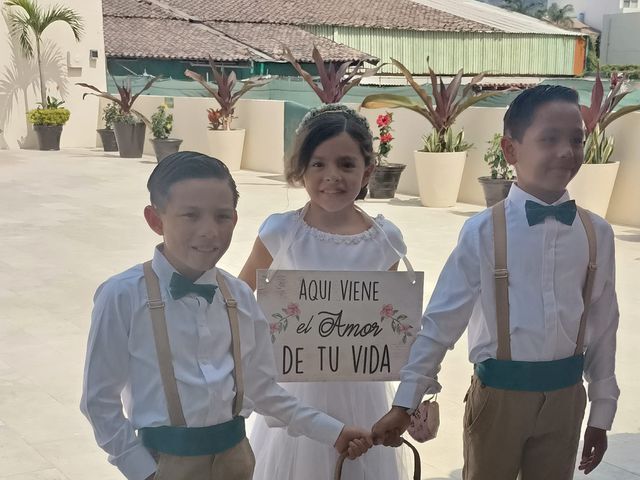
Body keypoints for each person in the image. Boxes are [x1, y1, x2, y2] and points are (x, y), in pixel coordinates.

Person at [372, 85, 620, 480]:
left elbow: (604, 324)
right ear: (510, 150)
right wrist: (406, 402)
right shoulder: (483, 232)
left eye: (576, 139)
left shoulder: (597, 233)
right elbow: (441, 322)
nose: (566, 151)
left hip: (567, 398)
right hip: (498, 400)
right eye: (549, 139)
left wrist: (602, 410)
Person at [80, 151, 372, 480]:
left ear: (234, 219)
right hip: (163, 464)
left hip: (237, 461)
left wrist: (333, 432)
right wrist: (142, 470)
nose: (209, 231)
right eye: (190, 215)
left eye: (222, 216)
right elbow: (99, 400)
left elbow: (263, 390)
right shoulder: (122, 296)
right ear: (156, 220)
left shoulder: (241, 297)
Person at [239, 103, 409, 480]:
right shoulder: (280, 233)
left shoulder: (386, 240)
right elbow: (236, 302)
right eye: (318, 164)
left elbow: (390, 325)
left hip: (363, 395)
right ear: (301, 168)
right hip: (293, 395)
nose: (332, 176)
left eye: (346, 164)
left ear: (367, 170)